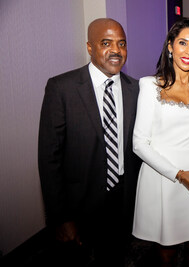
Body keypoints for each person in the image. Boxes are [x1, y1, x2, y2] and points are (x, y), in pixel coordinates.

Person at [38, 18, 141, 266]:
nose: (116, 50)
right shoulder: (62, 88)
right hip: (79, 206)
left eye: (122, 43)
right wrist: (61, 218)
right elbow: (49, 158)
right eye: (106, 43)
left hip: (123, 203)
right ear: (89, 47)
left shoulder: (137, 90)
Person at [132, 17, 189, 266]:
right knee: (166, 255)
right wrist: (180, 174)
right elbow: (139, 142)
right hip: (163, 178)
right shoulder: (150, 86)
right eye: (183, 43)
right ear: (170, 46)